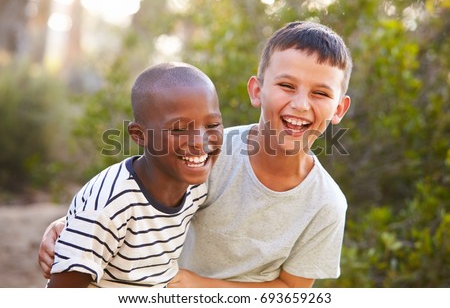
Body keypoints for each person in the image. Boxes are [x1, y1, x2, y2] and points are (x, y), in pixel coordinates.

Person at [39, 20, 352, 288]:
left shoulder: (326, 204)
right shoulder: (210, 152)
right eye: (287, 85)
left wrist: (195, 286)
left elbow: (291, 292)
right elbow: (135, 194)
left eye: (320, 93)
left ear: (339, 108)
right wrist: (73, 224)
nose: (300, 104)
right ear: (257, 91)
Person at [45, 62, 223, 287]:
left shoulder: (196, 184)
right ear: (140, 135)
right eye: (178, 129)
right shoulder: (110, 208)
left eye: (213, 124)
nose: (200, 142)